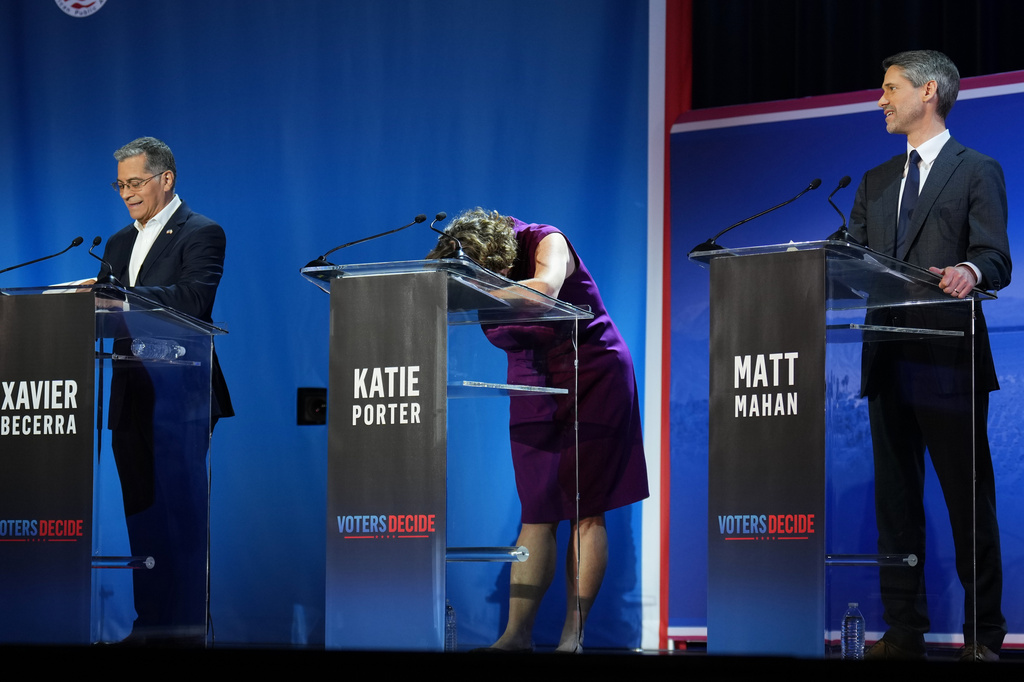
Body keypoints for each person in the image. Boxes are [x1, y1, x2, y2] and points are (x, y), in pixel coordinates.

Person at [848, 51, 1011, 662]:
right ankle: (902, 632)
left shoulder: (977, 170)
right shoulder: (875, 179)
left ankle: (982, 637)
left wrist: (970, 269)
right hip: (886, 355)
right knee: (896, 506)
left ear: (929, 91)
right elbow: (851, 259)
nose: (881, 100)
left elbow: (996, 256)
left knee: (969, 502)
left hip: (949, 357)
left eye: (890, 89)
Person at [428, 208, 648, 652]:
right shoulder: (468, 262)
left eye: (502, 271)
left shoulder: (547, 239)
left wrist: (479, 287)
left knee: (586, 509)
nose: (499, 279)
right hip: (530, 381)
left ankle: (573, 636)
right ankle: (516, 637)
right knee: (537, 509)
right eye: (490, 275)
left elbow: (544, 291)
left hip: (592, 374)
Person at [93, 136, 233, 645]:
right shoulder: (116, 243)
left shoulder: (202, 232)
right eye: (121, 185)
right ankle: (147, 626)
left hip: (183, 393)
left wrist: (118, 296)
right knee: (142, 518)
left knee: (180, 518)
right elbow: (106, 312)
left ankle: (184, 631)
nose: (127, 193)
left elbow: (194, 298)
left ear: (165, 179)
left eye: (135, 182)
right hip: (131, 392)